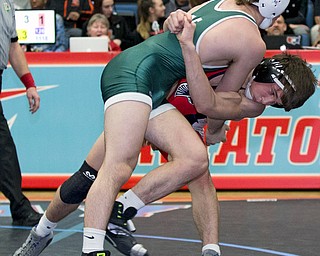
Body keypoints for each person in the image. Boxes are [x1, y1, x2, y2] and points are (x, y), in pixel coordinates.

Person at [14, 0, 299, 255]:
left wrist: (174, 21)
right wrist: (212, 128)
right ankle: (53, 232)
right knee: (103, 170)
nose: (267, 101)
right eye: (273, 93)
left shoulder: (222, 12)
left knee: (198, 165)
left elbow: (176, 28)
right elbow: (209, 102)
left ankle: (205, 247)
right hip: (143, 80)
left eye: (277, 102)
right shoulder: (249, 46)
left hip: (159, 96)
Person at [0, 0, 41, 227]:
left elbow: (13, 46)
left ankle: (19, 206)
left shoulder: (7, 6)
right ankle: (19, 207)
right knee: (3, 146)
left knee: (4, 147)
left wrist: (29, 84)